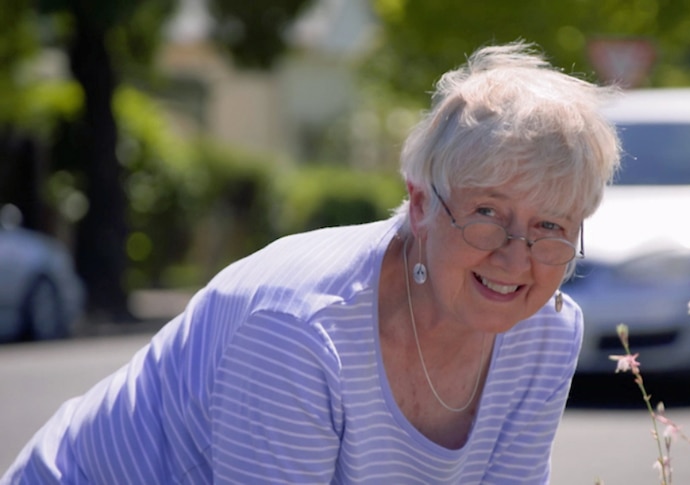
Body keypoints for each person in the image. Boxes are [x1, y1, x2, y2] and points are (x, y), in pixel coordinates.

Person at [2, 41, 620, 484]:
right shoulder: (301, 330)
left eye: (550, 226)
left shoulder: (547, 332)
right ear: (421, 204)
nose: (518, 255)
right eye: (488, 212)